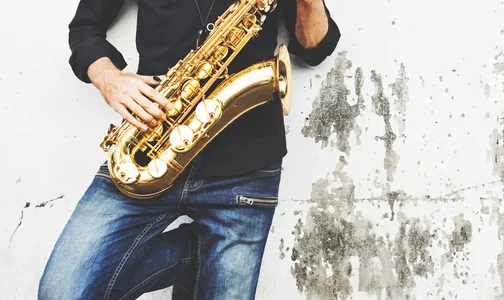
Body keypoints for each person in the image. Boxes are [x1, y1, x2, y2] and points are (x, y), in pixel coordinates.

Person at [37, 0, 340, 299]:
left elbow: (314, 48)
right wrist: (109, 78)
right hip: (147, 151)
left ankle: (212, 254)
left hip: (246, 167)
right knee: (60, 292)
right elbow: (84, 26)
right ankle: (200, 255)